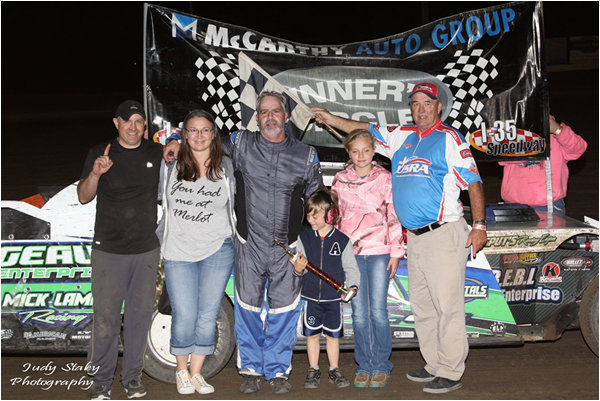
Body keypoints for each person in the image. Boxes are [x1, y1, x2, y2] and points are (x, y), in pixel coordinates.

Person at [312, 82, 488, 394]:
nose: (421, 109)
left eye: (427, 103)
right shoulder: (401, 136)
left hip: (443, 233)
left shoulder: (449, 139)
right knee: (422, 306)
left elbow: (473, 181)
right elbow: (363, 129)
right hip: (415, 239)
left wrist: (479, 225)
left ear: (438, 107)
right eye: (416, 103)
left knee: (447, 306)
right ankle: (433, 364)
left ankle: (450, 370)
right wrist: (330, 118)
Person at [163, 91, 324, 394]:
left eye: (276, 112)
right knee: (248, 309)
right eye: (264, 112)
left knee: (283, 311)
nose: (270, 117)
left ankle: (277, 371)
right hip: (248, 244)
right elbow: (202, 138)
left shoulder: (306, 154)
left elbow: (317, 203)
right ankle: (250, 369)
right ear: (257, 117)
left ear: (286, 116)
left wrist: (310, 247)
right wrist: (175, 139)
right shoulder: (240, 143)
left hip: (287, 248)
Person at [78, 100, 163, 400]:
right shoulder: (99, 153)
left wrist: (175, 145)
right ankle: (101, 382)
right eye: (127, 121)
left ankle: (132, 378)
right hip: (109, 251)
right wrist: (96, 174)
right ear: (116, 123)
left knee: (139, 318)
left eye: (139, 121)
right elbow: (83, 196)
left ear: (144, 125)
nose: (133, 127)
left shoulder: (155, 153)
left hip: (145, 251)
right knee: (105, 319)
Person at [159, 110, 236, 395]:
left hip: (218, 248)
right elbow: (159, 196)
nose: (200, 135)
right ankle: (181, 370)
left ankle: (196, 373)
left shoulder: (225, 166)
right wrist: (171, 143)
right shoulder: (170, 163)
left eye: (205, 130)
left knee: (207, 313)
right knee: (185, 312)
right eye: (193, 130)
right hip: (178, 249)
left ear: (214, 134)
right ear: (184, 134)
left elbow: (235, 203)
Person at [331, 129, 404, 388]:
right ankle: (364, 366)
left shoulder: (385, 178)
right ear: (348, 153)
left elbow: (393, 216)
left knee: (378, 312)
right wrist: (335, 255)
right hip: (351, 256)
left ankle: (382, 366)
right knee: (359, 314)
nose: (360, 155)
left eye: (365, 150)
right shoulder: (340, 180)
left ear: (374, 151)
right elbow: (335, 220)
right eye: (355, 151)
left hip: (379, 252)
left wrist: (396, 253)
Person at [289, 189, 360, 390]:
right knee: (311, 335)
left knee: (332, 336)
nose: (311, 219)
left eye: (316, 215)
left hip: (333, 299)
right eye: (309, 215)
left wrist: (352, 287)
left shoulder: (343, 240)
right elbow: (299, 271)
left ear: (331, 214)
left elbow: (351, 268)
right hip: (311, 298)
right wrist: (298, 269)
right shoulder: (304, 238)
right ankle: (313, 368)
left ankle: (333, 369)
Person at [499, 115, 587, 215]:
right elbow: (501, 158)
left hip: (550, 205)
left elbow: (578, 149)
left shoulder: (556, 134)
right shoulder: (510, 132)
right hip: (514, 204)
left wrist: (558, 130)